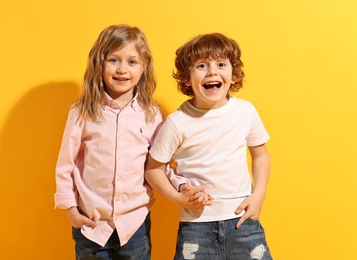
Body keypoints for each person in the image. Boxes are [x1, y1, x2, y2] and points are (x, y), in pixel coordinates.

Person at [54, 24, 206, 260]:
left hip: (134, 225)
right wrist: (72, 211)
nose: (122, 69)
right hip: (91, 225)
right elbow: (65, 166)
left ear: (143, 67)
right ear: (99, 63)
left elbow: (160, 166)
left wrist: (182, 186)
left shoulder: (153, 115)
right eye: (114, 60)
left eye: (132, 62)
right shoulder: (82, 112)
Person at [145, 33, 273, 259]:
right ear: (187, 78)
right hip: (196, 227)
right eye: (202, 66)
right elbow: (153, 170)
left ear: (233, 75)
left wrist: (259, 195)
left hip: (242, 220)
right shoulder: (177, 122)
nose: (212, 71)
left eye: (221, 64)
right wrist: (178, 199)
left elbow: (260, 155)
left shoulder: (245, 112)